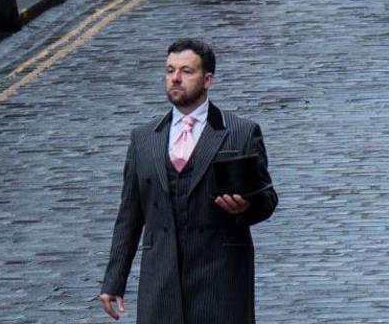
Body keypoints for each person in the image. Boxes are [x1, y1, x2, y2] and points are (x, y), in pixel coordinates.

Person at [98, 38, 277, 323]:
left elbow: (267, 200)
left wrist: (246, 207)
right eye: (170, 71)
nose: (175, 79)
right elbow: (129, 216)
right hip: (161, 284)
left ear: (207, 80)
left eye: (186, 71)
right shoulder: (143, 140)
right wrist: (113, 281)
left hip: (220, 282)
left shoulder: (241, 132)